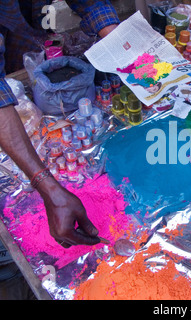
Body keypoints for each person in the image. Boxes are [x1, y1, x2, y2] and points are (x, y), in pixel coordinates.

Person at [0, 0, 119, 299]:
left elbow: (91, 2)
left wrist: (118, 40)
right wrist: (48, 188)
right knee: (11, 252)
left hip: (25, 52)